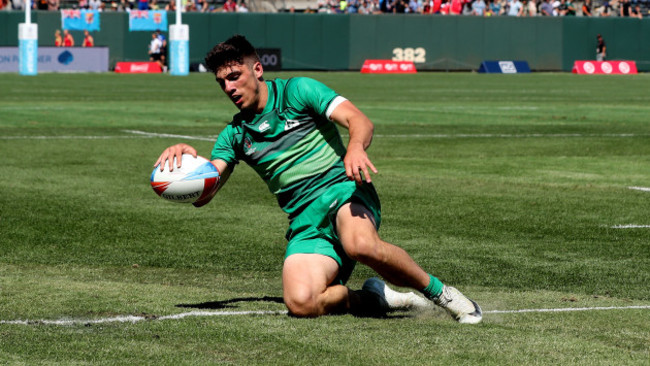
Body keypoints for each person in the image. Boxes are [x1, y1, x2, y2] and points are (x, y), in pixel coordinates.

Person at [154, 35, 483, 323]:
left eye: (234, 76)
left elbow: (359, 120)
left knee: (360, 245)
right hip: (305, 220)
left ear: (257, 70)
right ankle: (374, 298)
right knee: (302, 303)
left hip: (344, 191)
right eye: (222, 82)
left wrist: (354, 148)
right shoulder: (235, 135)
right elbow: (205, 194)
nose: (228, 87)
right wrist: (188, 164)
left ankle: (442, 294)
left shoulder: (298, 91)